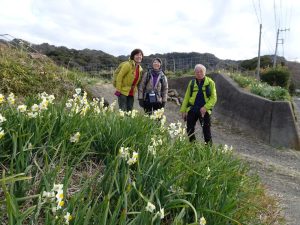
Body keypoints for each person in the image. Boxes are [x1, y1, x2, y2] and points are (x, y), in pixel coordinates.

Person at [180, 64, 217, 145]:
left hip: (204, 111)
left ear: (205, 72)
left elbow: (214, 98)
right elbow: (186, 97)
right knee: (189, 130)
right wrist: (183, 110)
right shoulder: (192, 83)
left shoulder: (210, 83)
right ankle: (193, 147)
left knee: (206, 132)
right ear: (194, 73)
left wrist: (205, 107)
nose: (199, 73)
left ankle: (208, 151)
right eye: (197, 72)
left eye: (201, 71)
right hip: (192, 109)